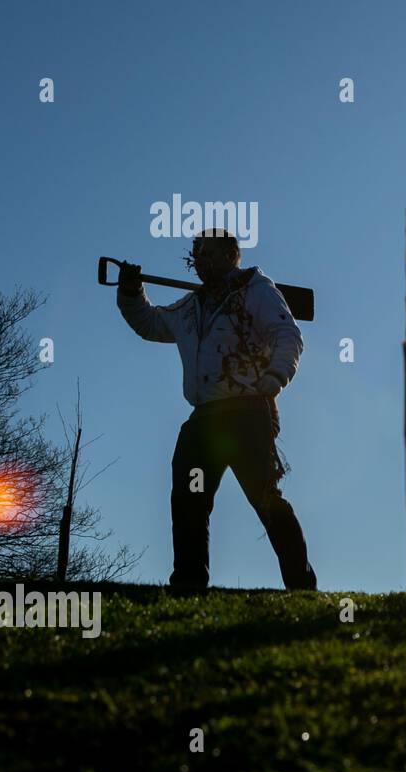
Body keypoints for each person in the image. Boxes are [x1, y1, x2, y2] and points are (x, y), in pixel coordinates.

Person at [116, 228, 316, 593]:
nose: (202, 261)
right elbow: (151, 323)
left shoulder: (256, 290)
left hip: (247, 413)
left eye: (210, 252)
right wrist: (131, 292)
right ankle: (189, 583)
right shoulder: (192, 305)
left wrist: (275, 378)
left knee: (265, 498)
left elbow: (287, 335)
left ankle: (301, 586)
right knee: (190, 496)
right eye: (197, 255)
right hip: (204, 418)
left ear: (231, 256)